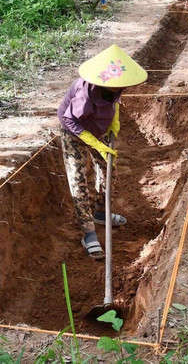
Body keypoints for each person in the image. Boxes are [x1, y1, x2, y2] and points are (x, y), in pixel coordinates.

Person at [57, 44, 147, 259]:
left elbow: (113, 102)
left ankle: (100, 212)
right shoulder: (86, 96)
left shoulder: (115, 86)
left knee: (108, 167)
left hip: (98, 129)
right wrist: (92, 142)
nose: (119, 88)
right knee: (78, 180)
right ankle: (88, 233)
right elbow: (68, 119)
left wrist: (113, 120)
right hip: (74, 132)